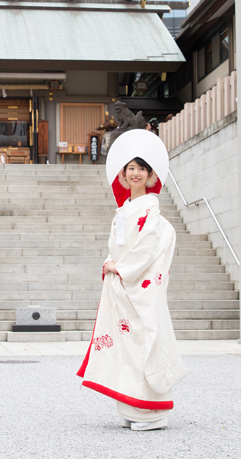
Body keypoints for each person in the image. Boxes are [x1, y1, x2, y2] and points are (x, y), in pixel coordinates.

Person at [77, 129, 185, 431]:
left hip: (137, 284)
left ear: (151, 175)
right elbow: (118, 247)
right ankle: (133, 407)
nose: (135, 173)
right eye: (131, 168)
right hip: (123, 284)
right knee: (127, 347)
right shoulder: (123, 210)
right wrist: (111, 263)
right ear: (123, 174)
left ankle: (154, 412)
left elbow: (148, 246)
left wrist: (122, 269)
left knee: (144, 341)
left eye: (141, 169)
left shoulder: (151, 207)